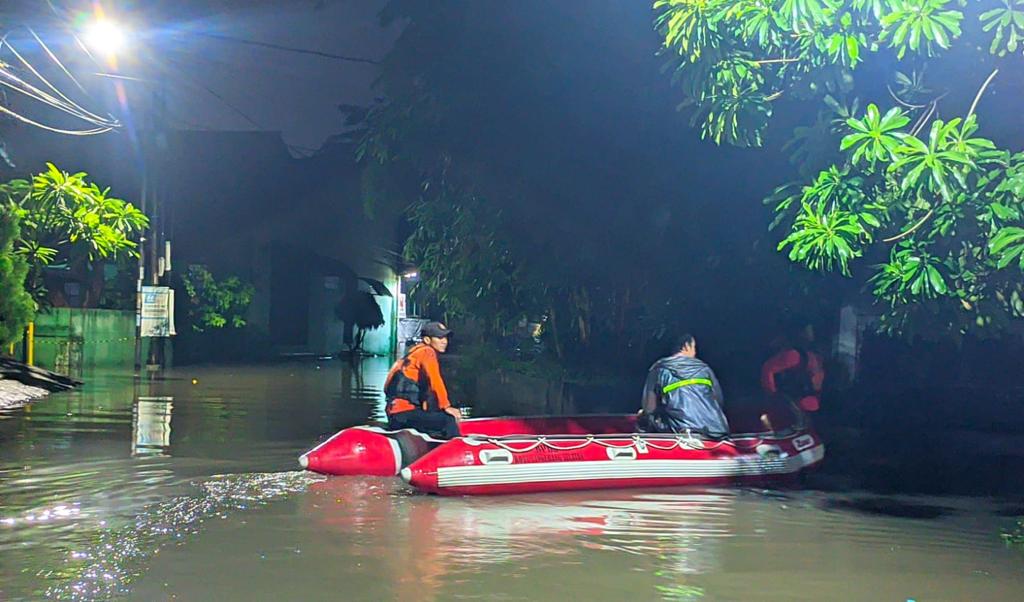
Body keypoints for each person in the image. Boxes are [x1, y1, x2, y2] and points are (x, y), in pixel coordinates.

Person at [638, 333, 730, 436]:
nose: (695, 352)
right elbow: (718, 401)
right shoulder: (704, 369)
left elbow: (649, 408)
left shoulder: (658, 370)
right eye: (694, 347)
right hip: (716, 431)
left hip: (680, 432)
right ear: (686, 346)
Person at [384, 321, 462, 438]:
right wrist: (447, 407)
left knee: (434, 417)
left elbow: (386, 387)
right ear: (427, 340)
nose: (444, 341)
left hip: (394, 417)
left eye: (445, 337)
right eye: (439, 337)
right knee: (448, 420)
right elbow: (436, 381)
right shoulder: (427, 352)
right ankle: (457, 449)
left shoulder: (411, 355)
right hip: (405, 414)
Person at [760, 323, 825, 413]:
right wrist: (773, 397)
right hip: (798, 410)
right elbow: (767, 369)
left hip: (816, 408)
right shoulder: (794, 355)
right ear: (800, 333)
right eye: (807, 328)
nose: (811, 332)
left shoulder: (816, 354)